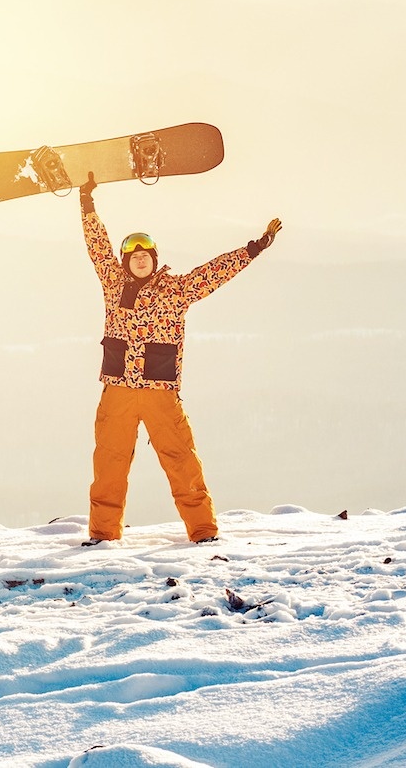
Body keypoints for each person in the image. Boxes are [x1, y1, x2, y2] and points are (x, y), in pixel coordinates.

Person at [78, 172, 280, 546]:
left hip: (159, 392)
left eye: (145, 256)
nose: (140, 261)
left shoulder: (176, 290)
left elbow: (213, 273)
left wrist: (253, 249)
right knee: (109, 463)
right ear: (125, 262)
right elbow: (97, 246)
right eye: (133, 257)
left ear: (155, 260)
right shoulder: (113, 284)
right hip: (118, 391)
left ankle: (203, 532)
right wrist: (87, 203)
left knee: (181, 460)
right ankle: (103, 535)